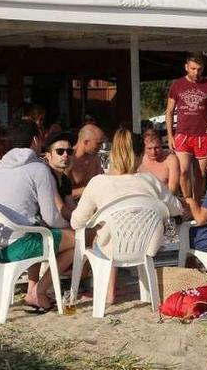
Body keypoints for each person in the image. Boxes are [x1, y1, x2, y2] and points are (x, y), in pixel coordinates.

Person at [72, 129, 184, 305]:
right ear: (140, 155)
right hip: (146, 247)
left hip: (111, 249)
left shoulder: (98, 183)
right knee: (113, 232)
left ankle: (108, 294)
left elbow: (77, 222)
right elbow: (177, 209)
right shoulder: (150, 181)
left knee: (103, 234)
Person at [0, 121, 74, 312]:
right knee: (78, 239)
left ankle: (32, 289)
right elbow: (52, 218)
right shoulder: (38, 169)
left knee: (38, 228)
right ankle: (39, 292)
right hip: (16, 246)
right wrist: (69, 226)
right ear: (35, 140)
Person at [166, 53, 207, 200]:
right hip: (183, 134)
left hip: (203, 135)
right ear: (186, 67)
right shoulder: (176, 85)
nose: (196, 72)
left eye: (199, 69)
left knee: (201, 174)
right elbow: (169, 111)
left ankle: (197, 203)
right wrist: (170, 136)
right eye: (193, 69)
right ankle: (187, 200)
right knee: (183, 170)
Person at [43, 131, 77, 220]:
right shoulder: (45, 176)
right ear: (48, 155)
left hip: (55, 222)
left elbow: (71, 206)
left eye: (69, 151)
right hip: (40, 228)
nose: (66, 155)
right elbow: (62, 210)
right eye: (60, 151)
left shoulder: (65, 180)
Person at [138, 129, 180, 195]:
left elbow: (172, 191)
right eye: (149, 148)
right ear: (144, 148)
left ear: (161, 145)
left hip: (165, 200)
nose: (153, 152)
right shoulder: (139, 159)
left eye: (156, 148)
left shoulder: (170, 160)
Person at [69, 123, 105, 199]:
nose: (101, 147)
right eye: (98, 143)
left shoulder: (95, 158)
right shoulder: (68, 159)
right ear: (86, 142)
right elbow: (60, 194)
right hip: (72, 206)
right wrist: (86, 190)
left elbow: (102, 182)